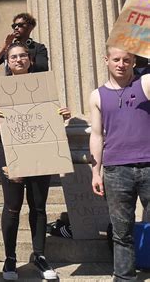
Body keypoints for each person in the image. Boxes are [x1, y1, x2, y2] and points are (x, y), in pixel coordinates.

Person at [0, 42, 70, 280]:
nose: (19, 59)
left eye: (23, 55)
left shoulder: (42, 85)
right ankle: (10, 258)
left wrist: (63, 115)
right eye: (13, 57)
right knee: (12, 206)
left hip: (38, 150)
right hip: (10, 150)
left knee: (39, 205)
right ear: (8, 62)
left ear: (30, 60)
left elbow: (51, 118)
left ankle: (40, 255)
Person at [89, 47, 150, 281]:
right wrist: (96, 171)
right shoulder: (97, 95)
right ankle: (124, 276)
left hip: (148, 164)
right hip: (116, 170)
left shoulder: (145, 83)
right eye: (116, 59)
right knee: (121, 230)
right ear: (106, 60)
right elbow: (96, 134)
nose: (121, 64)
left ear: (134, 61)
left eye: (127, 60)